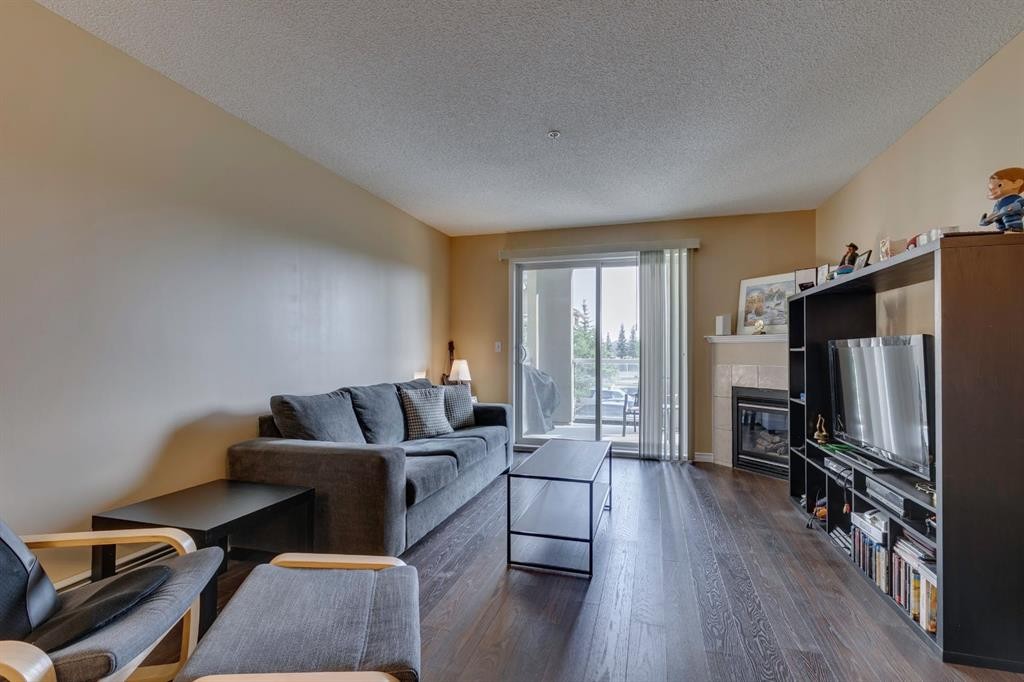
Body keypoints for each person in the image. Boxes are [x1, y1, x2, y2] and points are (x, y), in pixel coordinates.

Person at [980, 167, 1024, 232]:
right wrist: (989, 218)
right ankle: (1002, 229)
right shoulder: (999, 202)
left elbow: (1020, 204)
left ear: (1017, 183)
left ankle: (1015, 227)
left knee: (1010, 217)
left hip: (1012, 213)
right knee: (998, 220)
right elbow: (996, 211)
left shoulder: (1016, 198)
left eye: (999, 185)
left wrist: (1010, 208)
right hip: (1000, 215)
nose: (993, 191)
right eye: (991, 189)